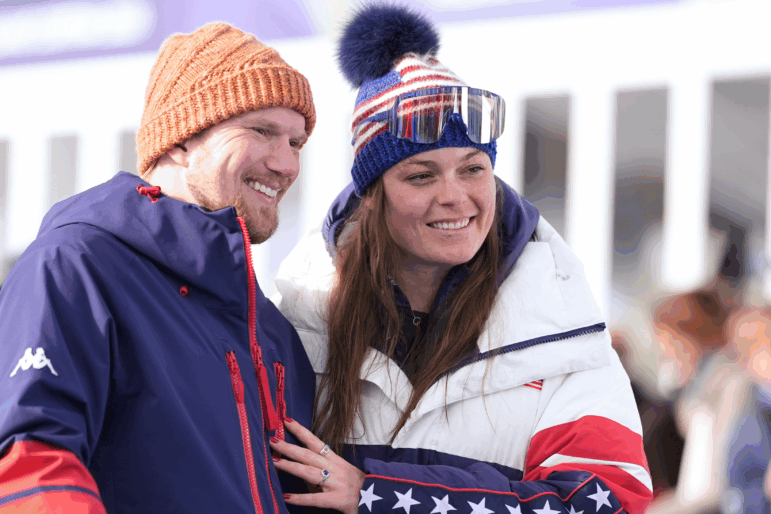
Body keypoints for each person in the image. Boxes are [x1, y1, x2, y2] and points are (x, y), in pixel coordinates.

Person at [269, 5, 652, 514]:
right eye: (421, 176)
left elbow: (608, 504)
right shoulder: (302, 319)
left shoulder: (565, 332)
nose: (455, 196)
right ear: (372, 198)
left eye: (473, 169)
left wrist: (378, 496)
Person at [0, 22, 317, 513]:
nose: (287, 164)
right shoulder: (76, 268)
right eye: (262, 130)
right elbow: (30, 466)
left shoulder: (272, 331)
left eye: (296, 143)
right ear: (181, 140)